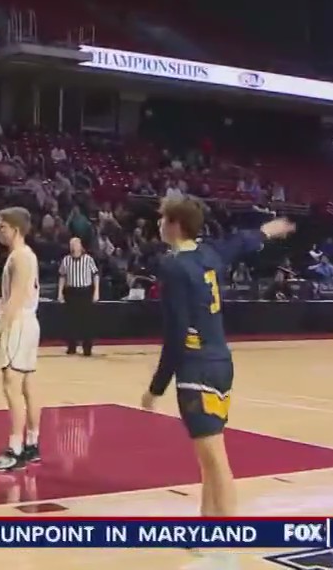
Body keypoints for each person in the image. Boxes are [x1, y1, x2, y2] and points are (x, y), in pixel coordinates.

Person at [141, 196, 295, 516]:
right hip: (220, 362)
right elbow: (242, 241)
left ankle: (226, 535)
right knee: (207, 460)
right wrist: (269, 230)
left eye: (163, 218)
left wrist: (156, 387)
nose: (158, 224)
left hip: (196, 368)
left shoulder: (173, 267)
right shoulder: (209, 253)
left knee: (216, 460)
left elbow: (176, 334)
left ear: (175, 225)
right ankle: (207, 526)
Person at [0, 207, 43, 472]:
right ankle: (32, 445)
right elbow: (18, 294)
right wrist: (0, 302)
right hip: (26, 321)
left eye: (1, 226)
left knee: (11, 384)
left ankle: (14, 451)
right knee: (27, 384)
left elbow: (17, 300)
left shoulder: (20, 257)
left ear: (15, 229)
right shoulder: (23, 256)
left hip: (19, 324)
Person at [58, 237, 99, 356]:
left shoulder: (88, 259)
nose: (73, 247)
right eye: (71, 245)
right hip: (71, 292)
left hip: (85, 292)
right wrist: (60, 293)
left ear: (80, 246)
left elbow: (95, 275)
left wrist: (96, 292)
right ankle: (72, 346)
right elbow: (62, 276)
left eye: (75, 245)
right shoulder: (66, 260)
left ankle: (87, 348)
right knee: (71, 320)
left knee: (87, 321)